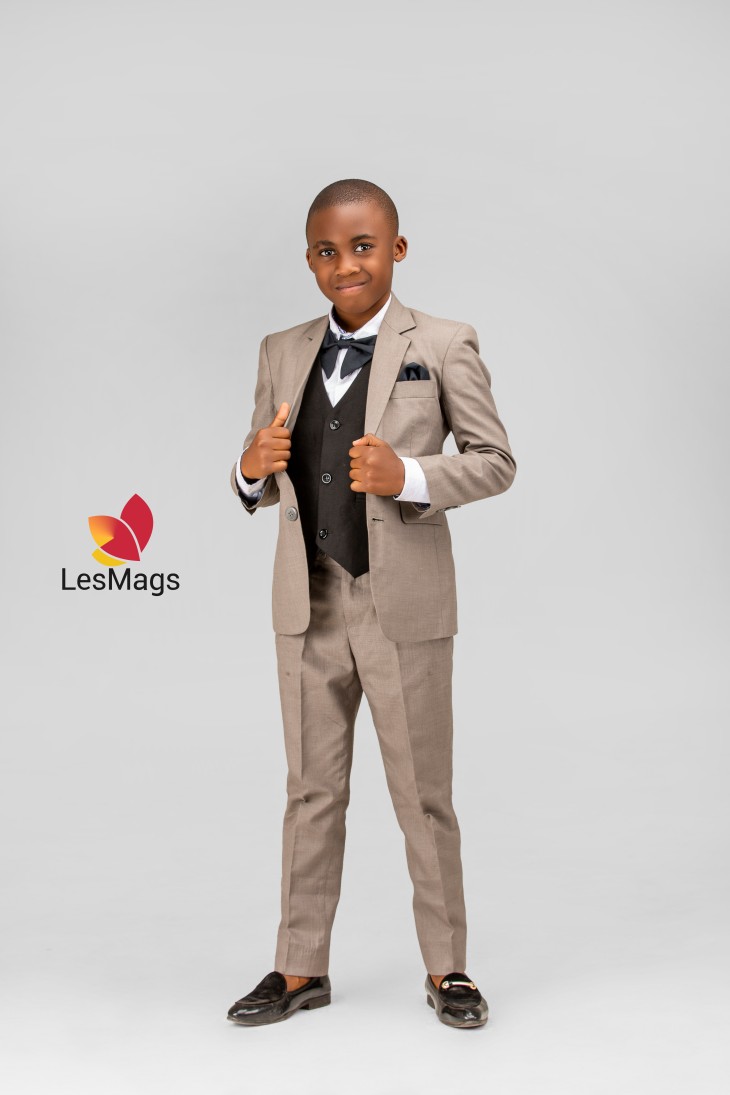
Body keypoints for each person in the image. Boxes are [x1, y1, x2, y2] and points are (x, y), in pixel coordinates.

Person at [226, 179, 516, 1029]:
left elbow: (496, 460)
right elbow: (261, 470)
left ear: (397, 248)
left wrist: (411, 474)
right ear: (310, 259)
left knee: (423, 793)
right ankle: (299, 966)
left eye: (362, 246)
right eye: (327, 250)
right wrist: (247, 467)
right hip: (307, 600)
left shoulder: (445, 342)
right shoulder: (281, 349)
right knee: (310, 792)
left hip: (403, 605)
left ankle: (449, 968)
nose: (345, 264)